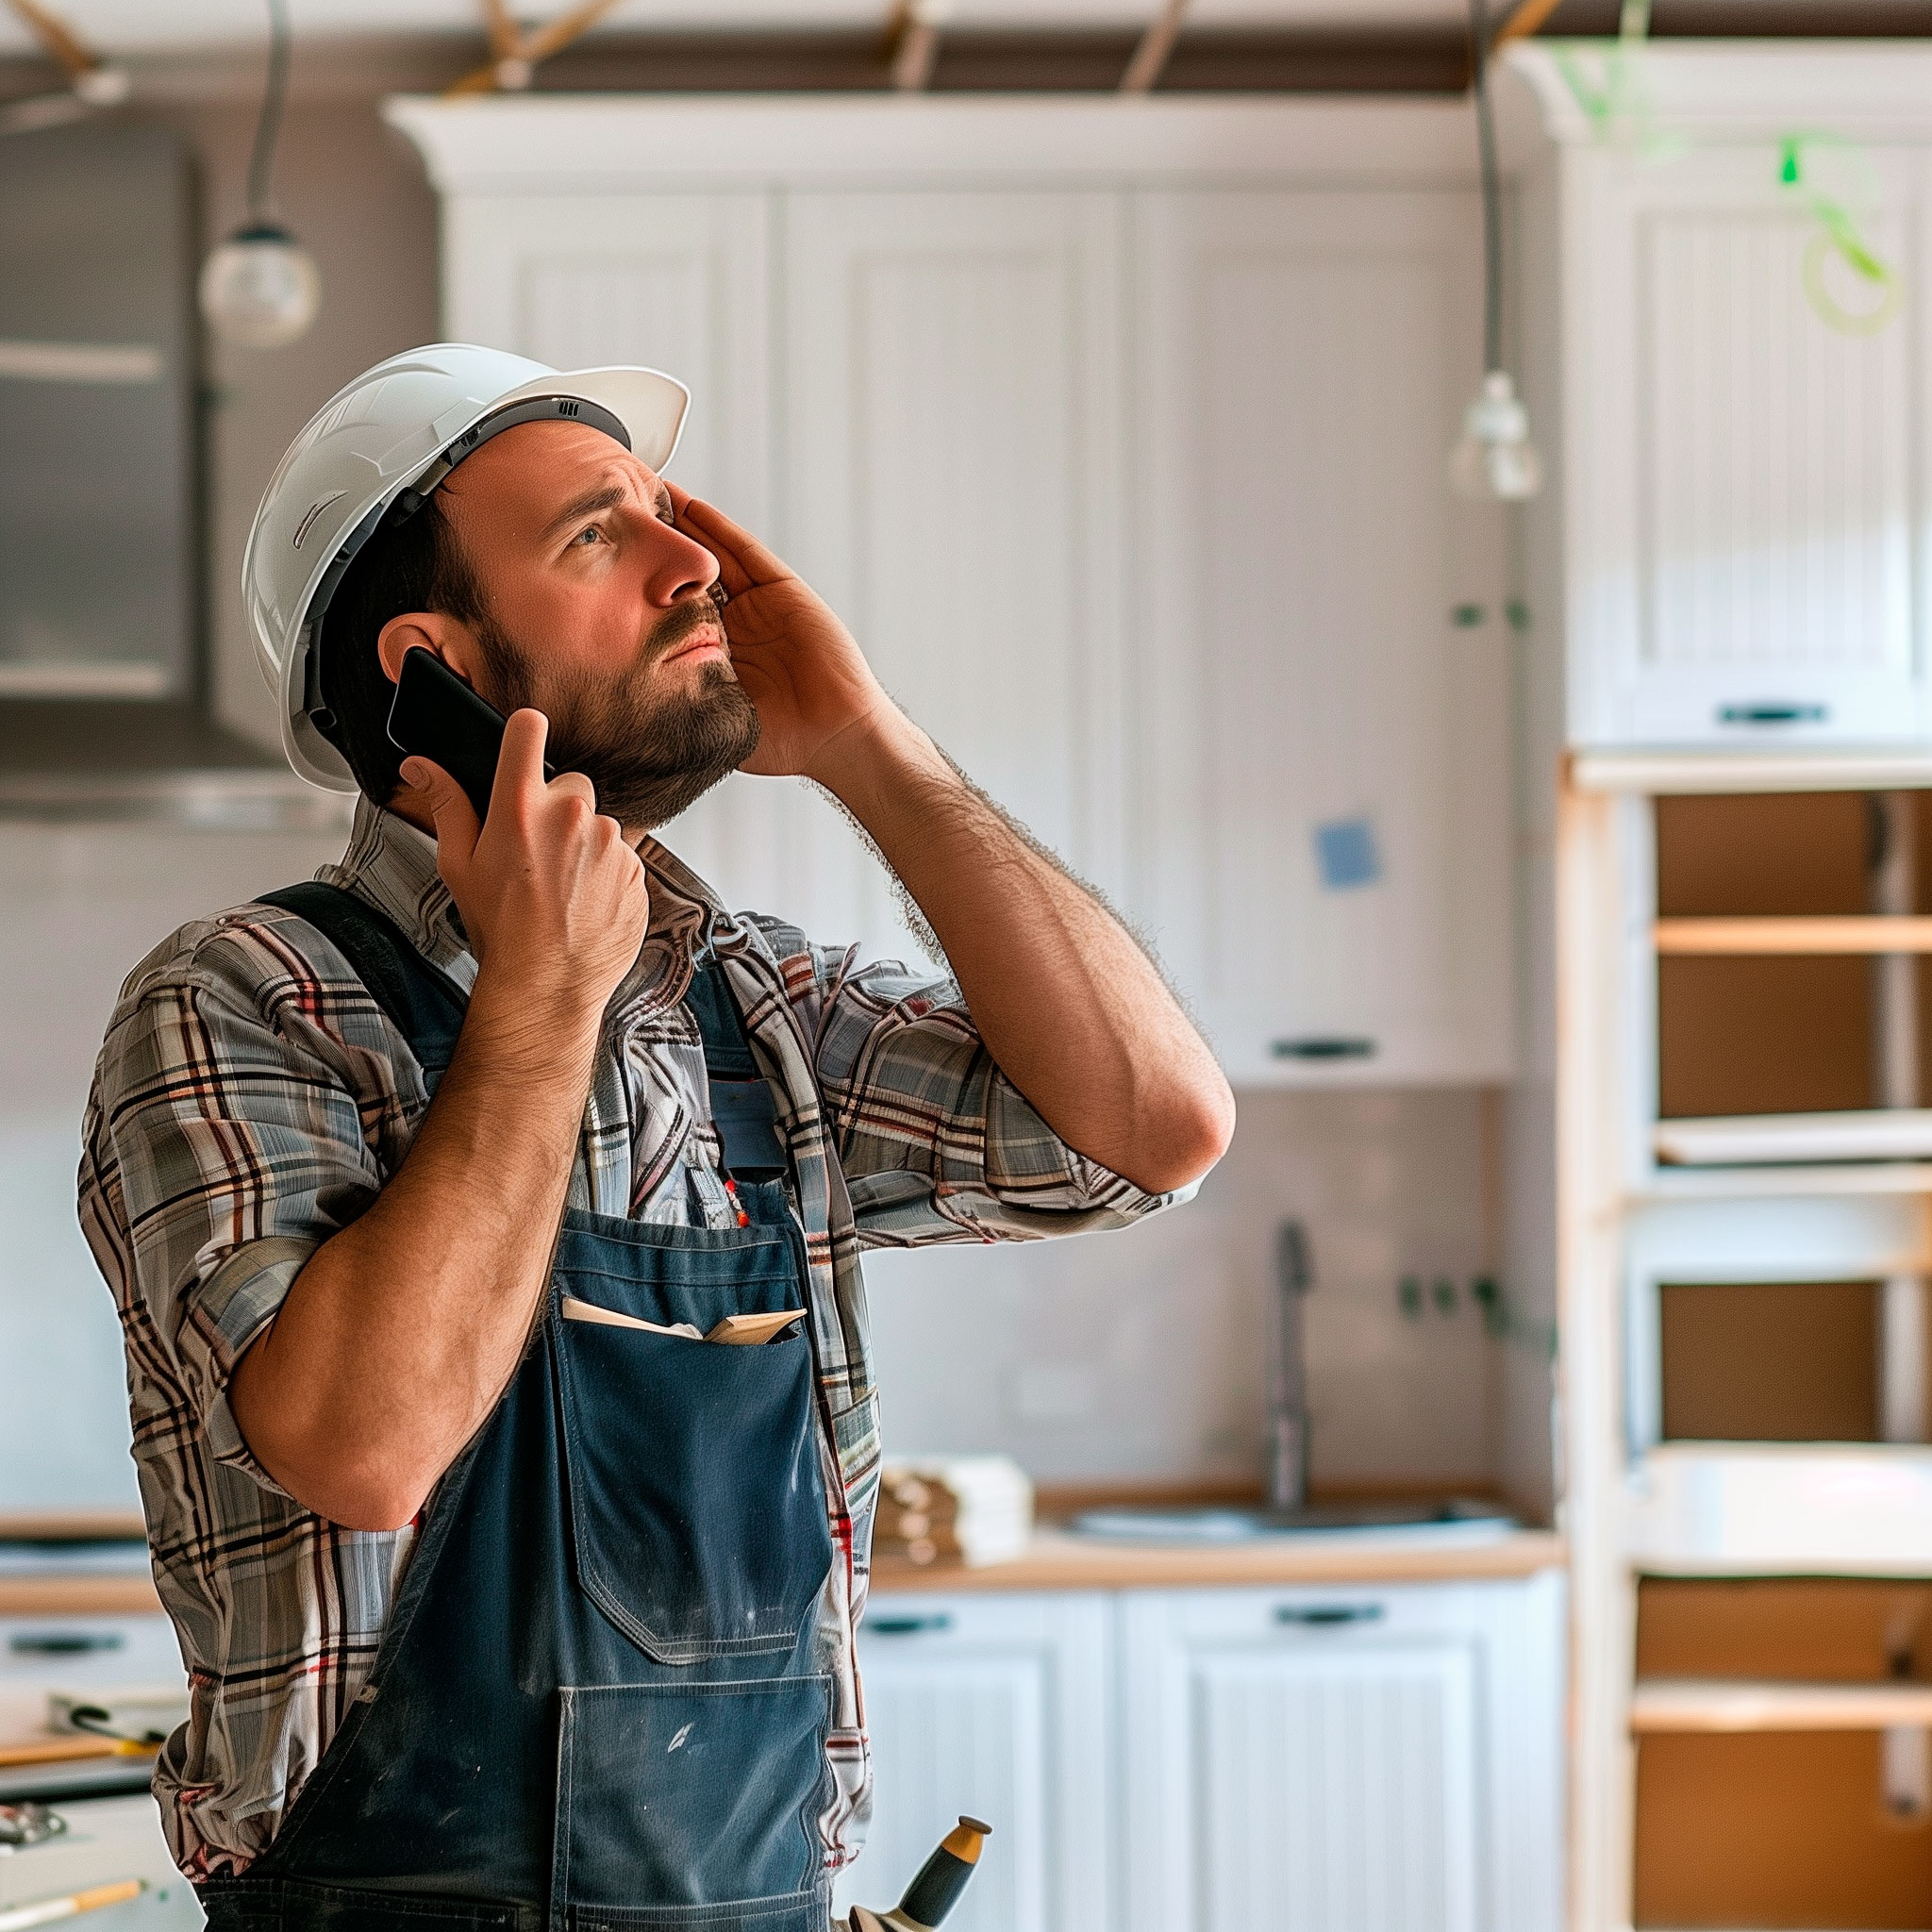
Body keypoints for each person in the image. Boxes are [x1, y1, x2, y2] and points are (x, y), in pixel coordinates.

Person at [78, 344, 1233, 1932]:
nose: (698, 563)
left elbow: (1148, 1131)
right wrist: (542, 996)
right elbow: (364, 1448)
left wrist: (866, 742)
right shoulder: (246, 1001)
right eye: (597, 536)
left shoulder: (752, 1004)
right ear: (437, 669)